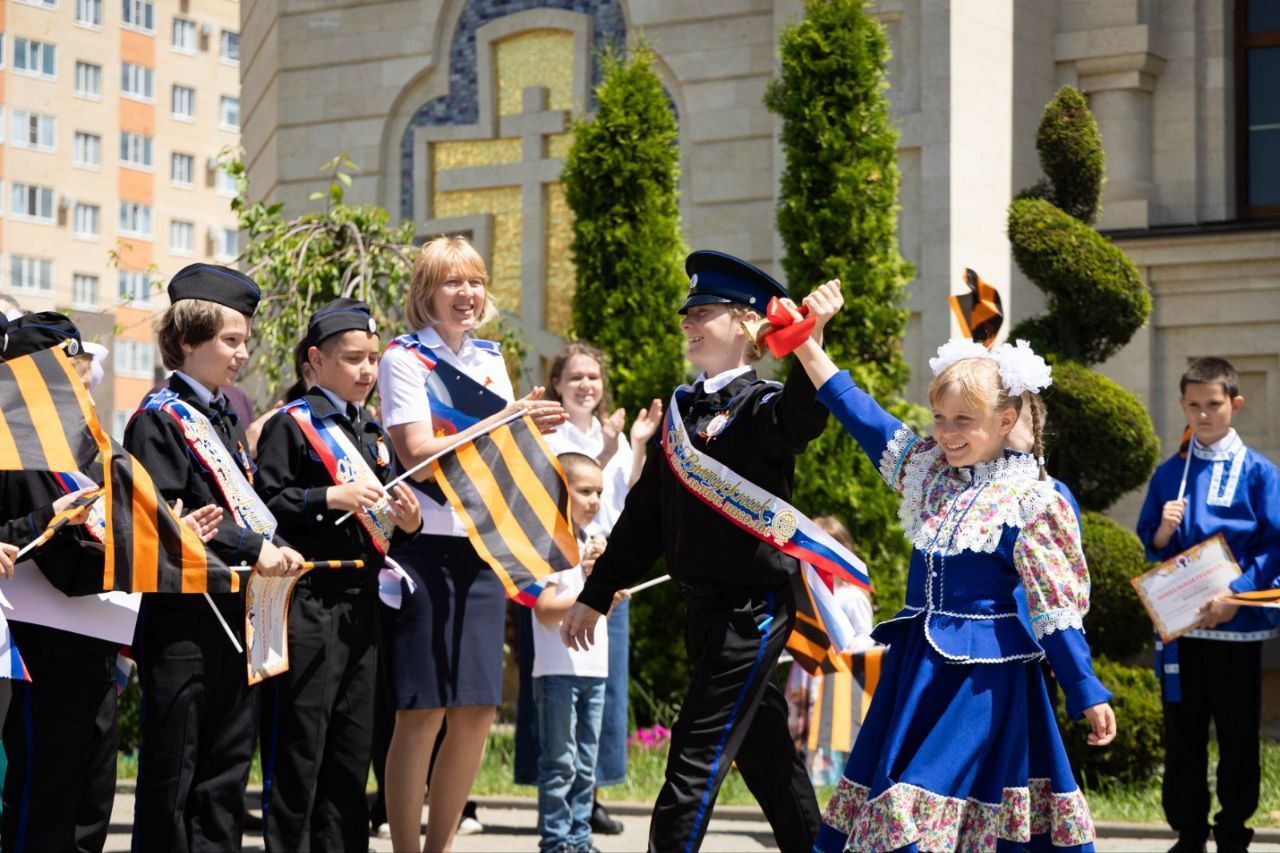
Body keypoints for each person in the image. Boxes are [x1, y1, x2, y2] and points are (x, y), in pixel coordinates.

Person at [779, 281, 1116, 852]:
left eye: (963, 420)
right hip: (918, 674)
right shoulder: (927, 471)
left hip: (983, 682)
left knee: (909, 809)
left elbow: (1055, 609)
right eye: (939, 417)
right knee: (906, 808)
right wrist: (808, 344)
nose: (946, 433)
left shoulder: (1033, 499)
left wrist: (1086, 688)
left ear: (1005, 420)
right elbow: (858, 411)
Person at [560, 250, 831, 852]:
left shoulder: (761, 404)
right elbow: (645, 517)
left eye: (703, 311)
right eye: (687, 312)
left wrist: (810, 344)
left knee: (693, 757)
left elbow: (801, 420)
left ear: (746, 323)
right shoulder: (683, 409)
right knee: (768, 759)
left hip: (750, 611)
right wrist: (596, 593)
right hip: (704, 611)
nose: (688, 321)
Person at [0, 313, 221, 853]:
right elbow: (61, 558)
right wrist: (140, 547)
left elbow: (110, 529)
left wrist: (167, 535)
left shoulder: (83, 452)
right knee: (45, 806)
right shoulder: (17, 450)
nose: (84, 391)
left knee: (91, 806)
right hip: (44, 650)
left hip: (96, 642)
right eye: (73, 378)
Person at [377, 235, 566, 852]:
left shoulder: (489, 358)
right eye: (452, 282)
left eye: (476, 282)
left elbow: (498, 454)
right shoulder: (404, 359)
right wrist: (505, 421)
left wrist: (527, 429)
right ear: (425, 292)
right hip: (426, 549)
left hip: (483, 550)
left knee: (478, 712)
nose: (467, 294)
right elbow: (416, 453)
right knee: (422, 712)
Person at [125, 263, 304, 852]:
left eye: (245, 340)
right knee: (175, 774)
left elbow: (230, 515)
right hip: (183, 621)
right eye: (230, 340)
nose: (242, 353)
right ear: (186, 339)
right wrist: (254, 546)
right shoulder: (158, 419)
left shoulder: (222, 416)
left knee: (225, 776)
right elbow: (171, 517)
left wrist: (270, 544)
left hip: (235, 615)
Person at [254, 298, 423, 852]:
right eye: (353, 359)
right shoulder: (291, 425)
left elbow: (385, 526)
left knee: (352, 750)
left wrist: (410, 524)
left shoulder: (372, 434)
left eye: (372, 358)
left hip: (361, 606)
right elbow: (263, 505)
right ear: (316, 361)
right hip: (307, 600)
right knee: (301, 746)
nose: (367, 370)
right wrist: (328, 496)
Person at [514, 342, 663, 834]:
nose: (585, 385)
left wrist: (636, 445)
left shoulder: (615, 434)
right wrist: (606, 451)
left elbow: (626, 499)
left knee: (603, 688)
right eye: (575, 376)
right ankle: (558, 813)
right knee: (557, 690)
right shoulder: (547, 431)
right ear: (557, 383)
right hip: (560, 564)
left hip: (607, 567)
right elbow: (559, 490)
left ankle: (590, 795)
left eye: (593, 377)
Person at [1136, 357, 1280, 853]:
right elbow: (1151, 543)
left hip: (1236, 627)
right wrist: (1163, 530)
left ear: (1235, 404)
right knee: (1183, 732)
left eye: (1213, 404)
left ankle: (1234, 832)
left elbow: (1274, 545)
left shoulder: (1260, 473)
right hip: (1182, 628)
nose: (1203, 414)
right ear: (1182, 405)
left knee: (1238, 733)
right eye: (1193, 405)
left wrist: (1236, 597)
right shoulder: (1169, 473)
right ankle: (1190, 832)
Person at [531, 452, 628, 853]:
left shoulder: (593, 545)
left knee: (586, 764)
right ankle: (556, 841)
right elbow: (543, 610)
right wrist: (587, 592)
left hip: (593, 668)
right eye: (585, 491)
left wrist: (608, 597)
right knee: (560, 762)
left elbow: (596, 613)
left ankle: (579, 839)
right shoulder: (551, 545)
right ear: (560, 491)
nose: (595, 500)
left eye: (600, 492)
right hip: (557, 669)